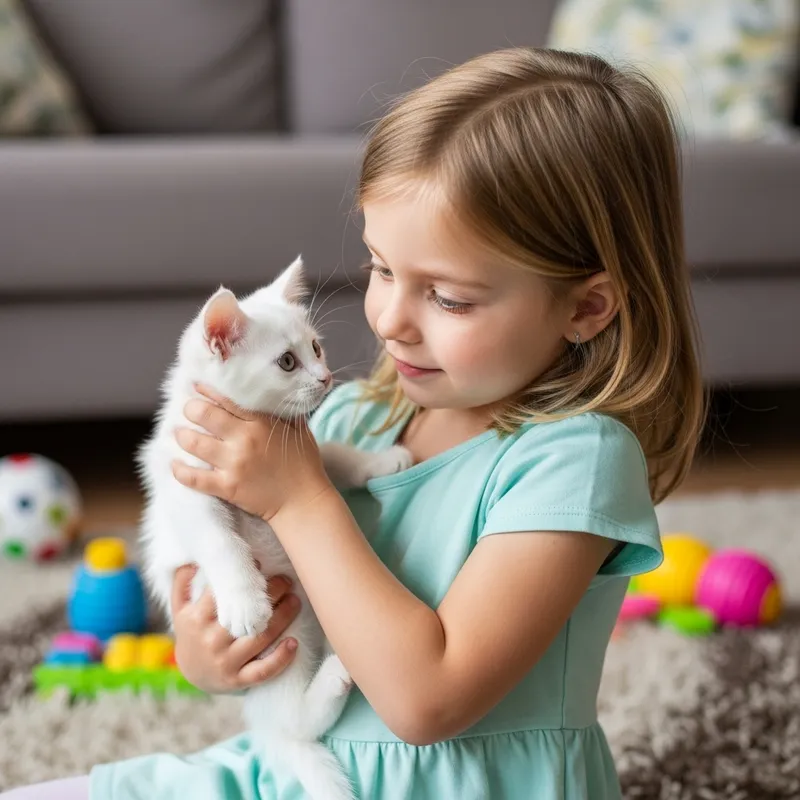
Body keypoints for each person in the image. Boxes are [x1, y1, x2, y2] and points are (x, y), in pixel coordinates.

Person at [4, 46, 705, 800]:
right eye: (381, 269)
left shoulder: (575, 459)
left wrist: (301, 499)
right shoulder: (349, 419)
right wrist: (211, 655)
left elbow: (425, 701)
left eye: (449, 297)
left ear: (585, 307)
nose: (391, 320)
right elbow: (241, 617)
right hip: (292, 774)